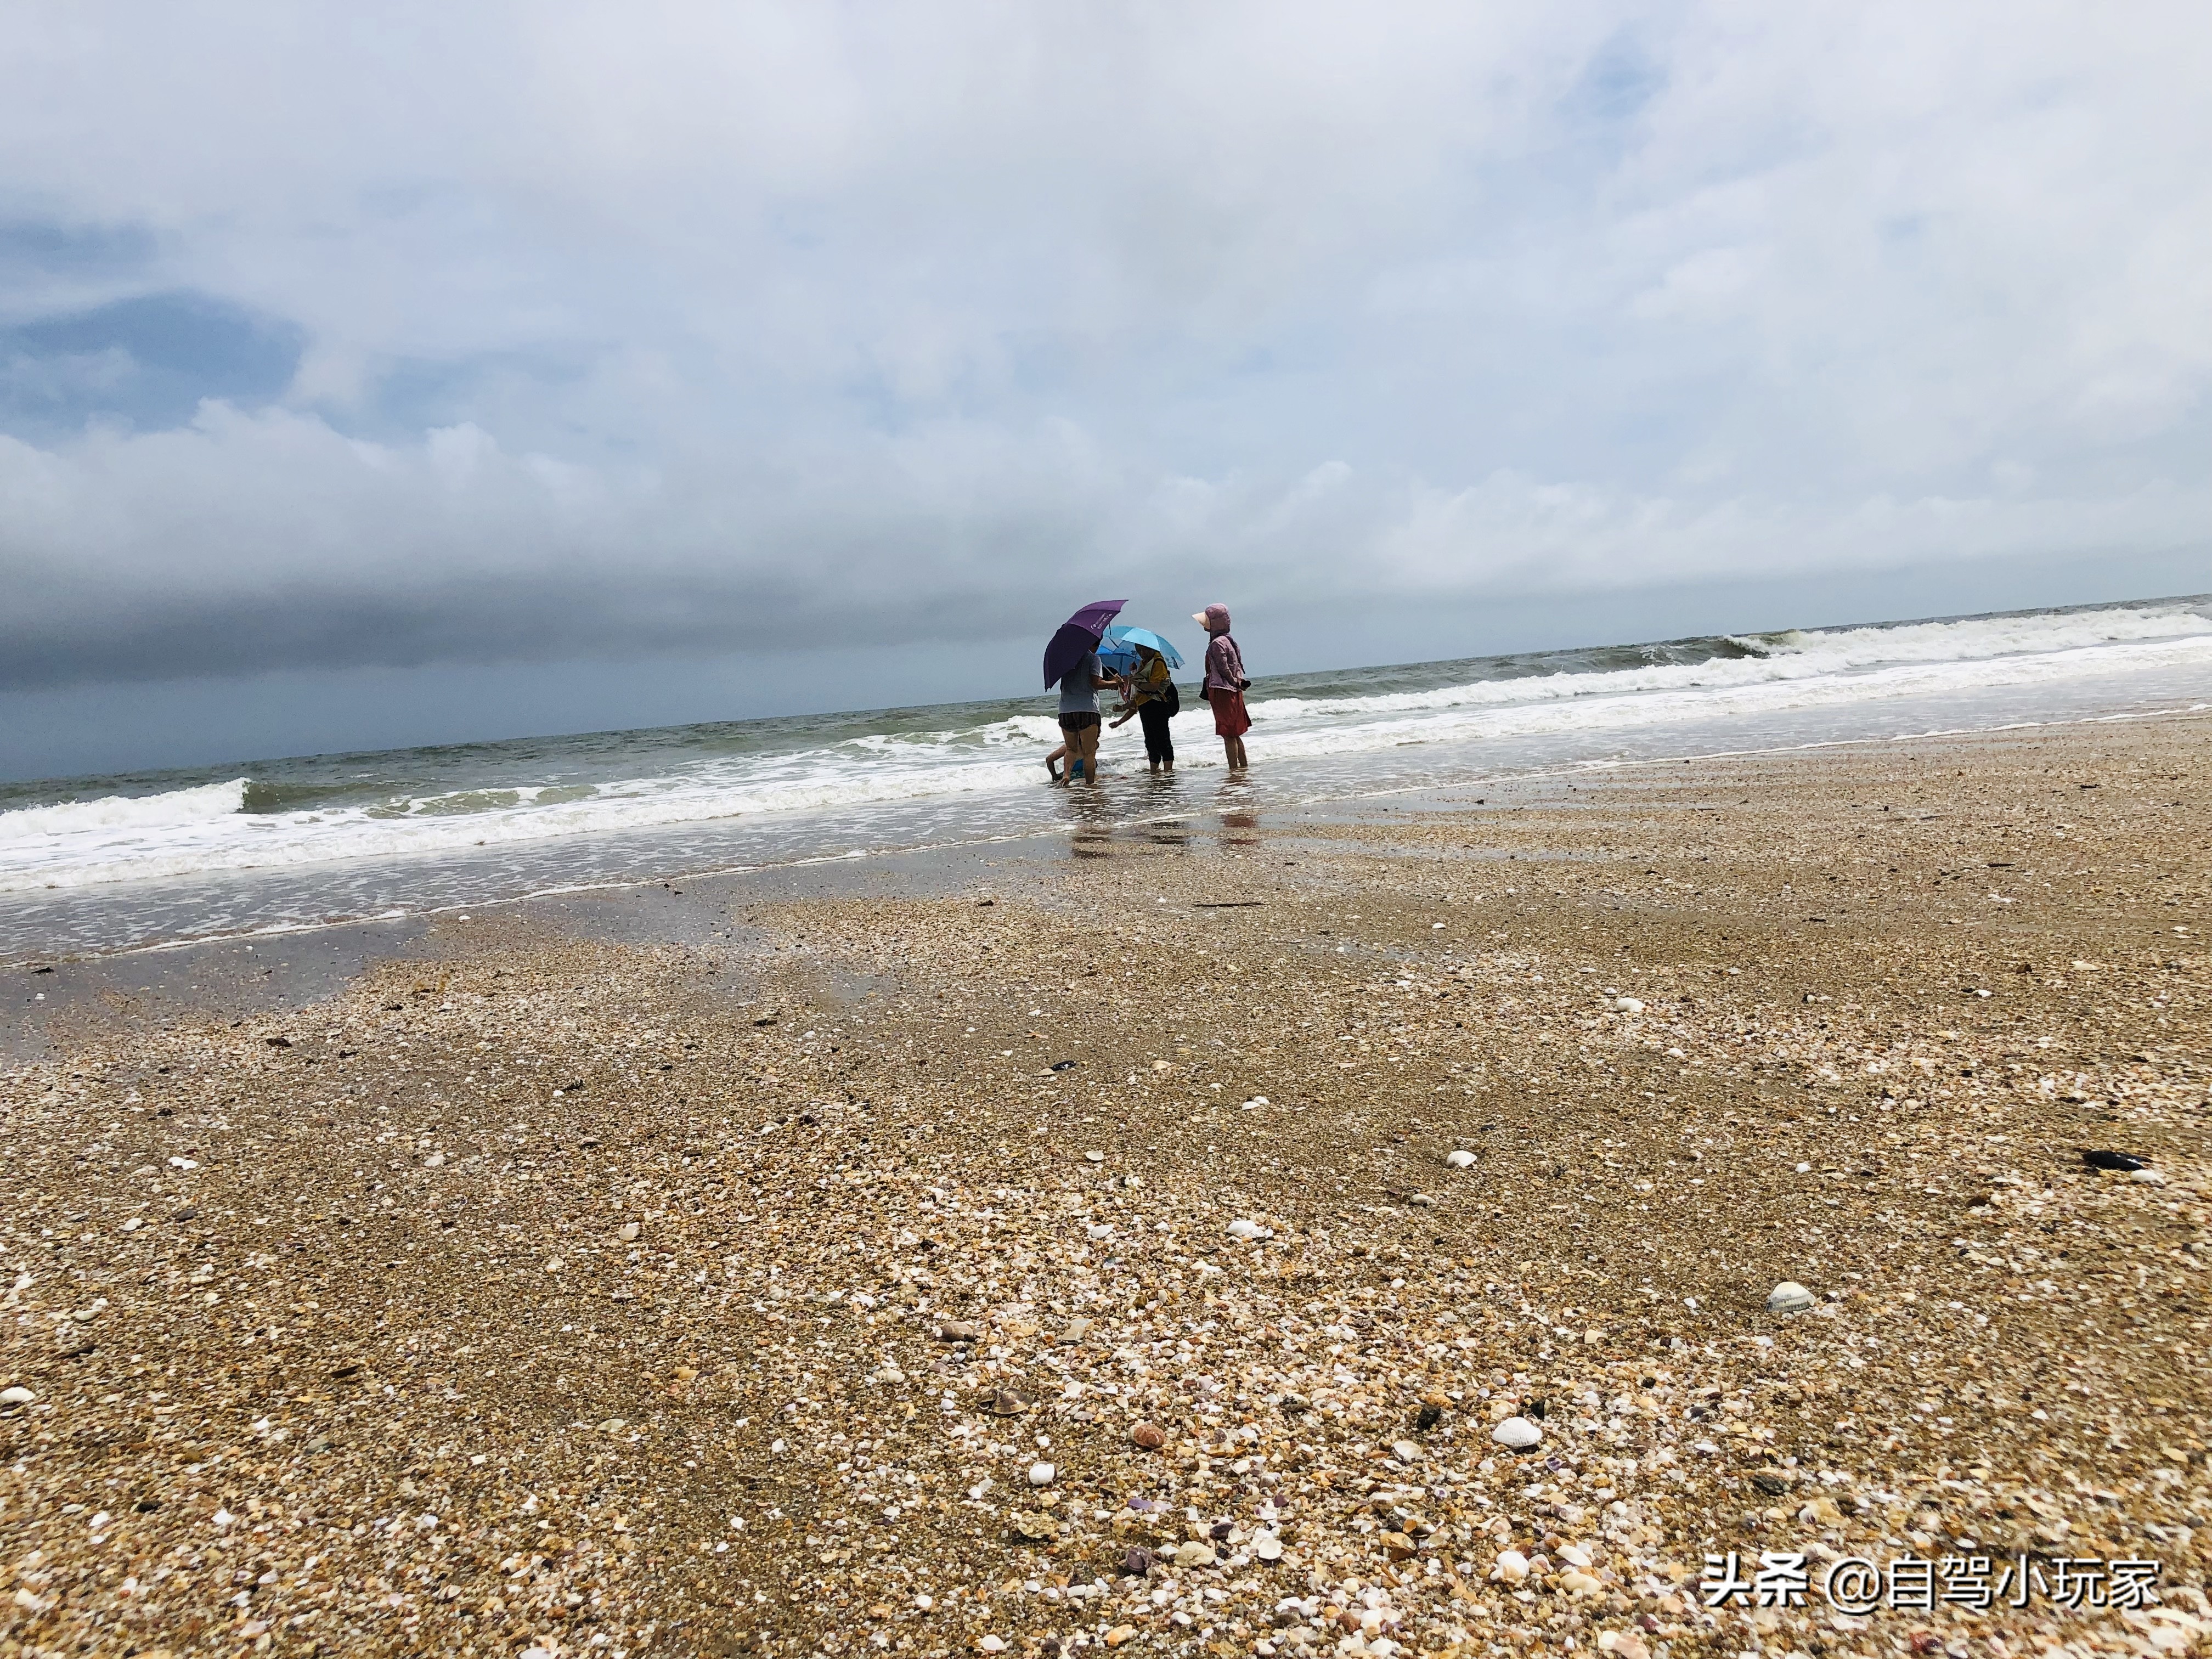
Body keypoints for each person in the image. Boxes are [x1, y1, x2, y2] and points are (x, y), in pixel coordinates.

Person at [1193, 602, 1250, 770]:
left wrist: (1232, 682)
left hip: (1223, 691)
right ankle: (1243, 769)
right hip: (1234, 690)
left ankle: (1234, 771)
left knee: (1228, 734)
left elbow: (1224, 669)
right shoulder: (1229, 640)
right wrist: (1237, 684)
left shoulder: (1217, 644)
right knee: (1235, 733)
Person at [1052, 645, 1119, 782]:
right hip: (1087, 709)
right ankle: (1090, 786)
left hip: (1065, 709)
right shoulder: (1093, 658)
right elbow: (1096, 683)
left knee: (1071, 749)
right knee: (1089, 753)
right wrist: (1114, 683)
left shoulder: (1066, 660)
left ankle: (1066, 775)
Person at [1107, 646, 1179, 772]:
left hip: (1157, 705)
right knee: (1151, 742)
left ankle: (1169, 773)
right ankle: (1154, 772)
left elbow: (1154, 687)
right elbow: (1135, 704)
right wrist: (1122, 710)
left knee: (1163, 740)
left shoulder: (1158, 662)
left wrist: (1136, 682)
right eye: (1140, 651)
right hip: (1145, 707)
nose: (1143, 653)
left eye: (1145, 650)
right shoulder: (1143, 665)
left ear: (1152, 649)